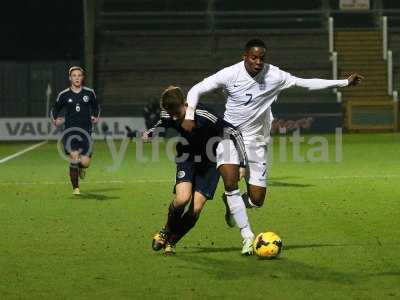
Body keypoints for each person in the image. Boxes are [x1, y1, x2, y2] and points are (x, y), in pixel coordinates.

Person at [181, 38, 363, 209]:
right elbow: (197, 89)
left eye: (261, 58)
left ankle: (233, 206)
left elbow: (306, 83)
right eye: (254, 58)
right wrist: (189, 116)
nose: (258, 62)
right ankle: (244, 230)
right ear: (244, 56)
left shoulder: (275, 75)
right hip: (230, 136)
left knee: (257, 200)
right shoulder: (230, 74)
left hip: (257, 141)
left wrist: (344, 82)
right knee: (232, 179)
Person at [145, 86, 254, 255]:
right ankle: (166, 230)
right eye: (170, 112)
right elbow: (161, 124)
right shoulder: (169, 113)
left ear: (185, 104)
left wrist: (242, 163)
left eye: (176, 111)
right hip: (187, 157)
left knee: (195, 209)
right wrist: (150, 133)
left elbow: (234, 131)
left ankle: (172, 241)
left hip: (210, 163)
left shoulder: (203, 114)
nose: (173, 116)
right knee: (182, 199)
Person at [50, 66, 100, 195]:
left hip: (86, 132)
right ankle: (76, 188)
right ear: (70, 78)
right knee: (74, 157)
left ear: (82, 78)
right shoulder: (64, 94)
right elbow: (54, 109)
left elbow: (96, 106)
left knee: (85, 163)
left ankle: (82, 169)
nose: (77, 78)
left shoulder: (89, 93)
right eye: (74, 76)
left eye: (79, 75)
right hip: (70, 132)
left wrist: (95, 116)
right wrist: (55, 120)